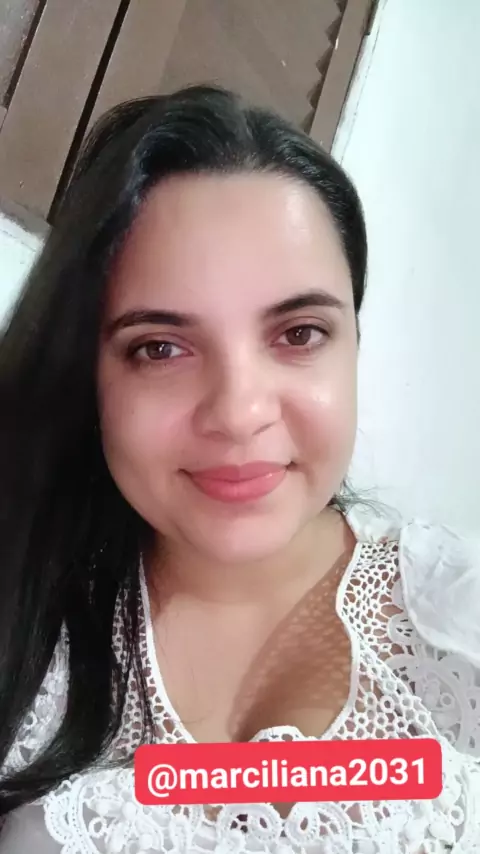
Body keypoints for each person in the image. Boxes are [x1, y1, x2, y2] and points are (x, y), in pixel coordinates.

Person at [0, 84, 479, 854]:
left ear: (353, 346)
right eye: (160, 347)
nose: (238, 412)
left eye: (299, 333)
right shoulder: (25, 622)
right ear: (88, 373)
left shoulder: (457, 619)